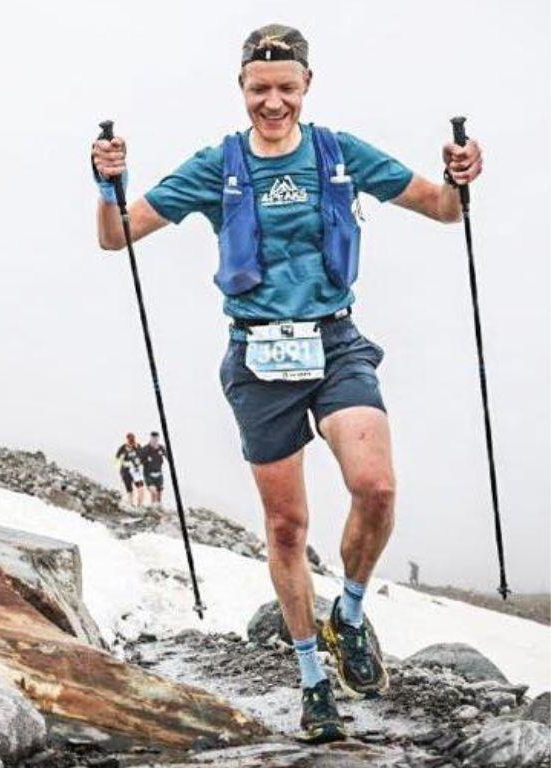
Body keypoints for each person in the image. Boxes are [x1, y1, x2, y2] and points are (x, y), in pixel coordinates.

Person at [91, 24, 482, 743]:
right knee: (287, 527)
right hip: (259, 357)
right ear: (242, 88)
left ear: (307, 85)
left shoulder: (338, 153)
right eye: (259, 88)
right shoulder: (219, 164)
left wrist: (460, 176)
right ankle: (311, 681)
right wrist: (105, 180)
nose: (273, 102)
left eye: (286, 88)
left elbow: (442, 209)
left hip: (336, 341)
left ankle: (351, 616)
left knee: (378, 487)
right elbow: (117, 236)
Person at [114, 433, 147, 506]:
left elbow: (143, 458)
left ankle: (140, 506)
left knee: (141, 489)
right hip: (126, 471)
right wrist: (123, 462)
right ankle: (130, 504)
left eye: (132, 441)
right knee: (129, 490)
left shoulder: (138, 446)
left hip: (135, 471)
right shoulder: (123, 448)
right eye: (130, 441)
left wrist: (140, 462)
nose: (131, 444)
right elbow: (116, 460)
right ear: (127, 440)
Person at [140, 431, 166, 505]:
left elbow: (167, 456)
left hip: (159, 474)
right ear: (150, 439)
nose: (155, 441)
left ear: (158, 439)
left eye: (156, 439)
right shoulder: (145, 449)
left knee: (159, 495)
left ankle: (158, 509)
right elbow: (139, 461)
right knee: (153, 492)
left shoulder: (161, 448)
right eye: (153, 439)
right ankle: (153, 508)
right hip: (148, 475)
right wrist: (146, 460)